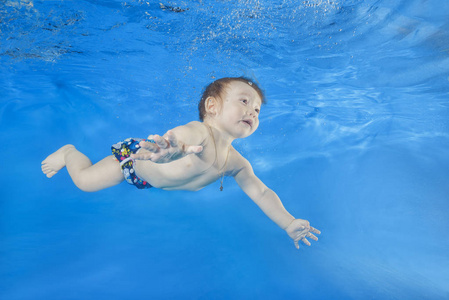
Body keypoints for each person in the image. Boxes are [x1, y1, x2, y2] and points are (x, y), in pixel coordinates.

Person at [41, 77, 320, 249]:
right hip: (137, 160)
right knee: (84, 183)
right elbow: (182, 135)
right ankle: (69, 153)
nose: (252, 111)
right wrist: (172, 147)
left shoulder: (238, 163)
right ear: (212, 107)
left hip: (153, 180)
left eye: (257, 110)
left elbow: (261, 192)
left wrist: (288, 222)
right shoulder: (202, 133)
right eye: (244, 101)